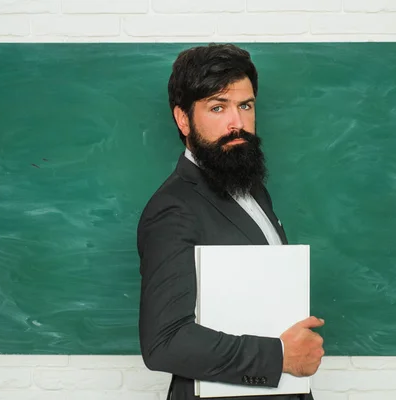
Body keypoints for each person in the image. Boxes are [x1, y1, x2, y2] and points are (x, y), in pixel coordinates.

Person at [136, 43, 325, 400]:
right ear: (182, 119)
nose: (236, 123)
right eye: (217, 107)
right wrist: (281, 356)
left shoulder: (251, 188)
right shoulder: (173, 209)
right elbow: (164, 342)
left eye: (245, 106)